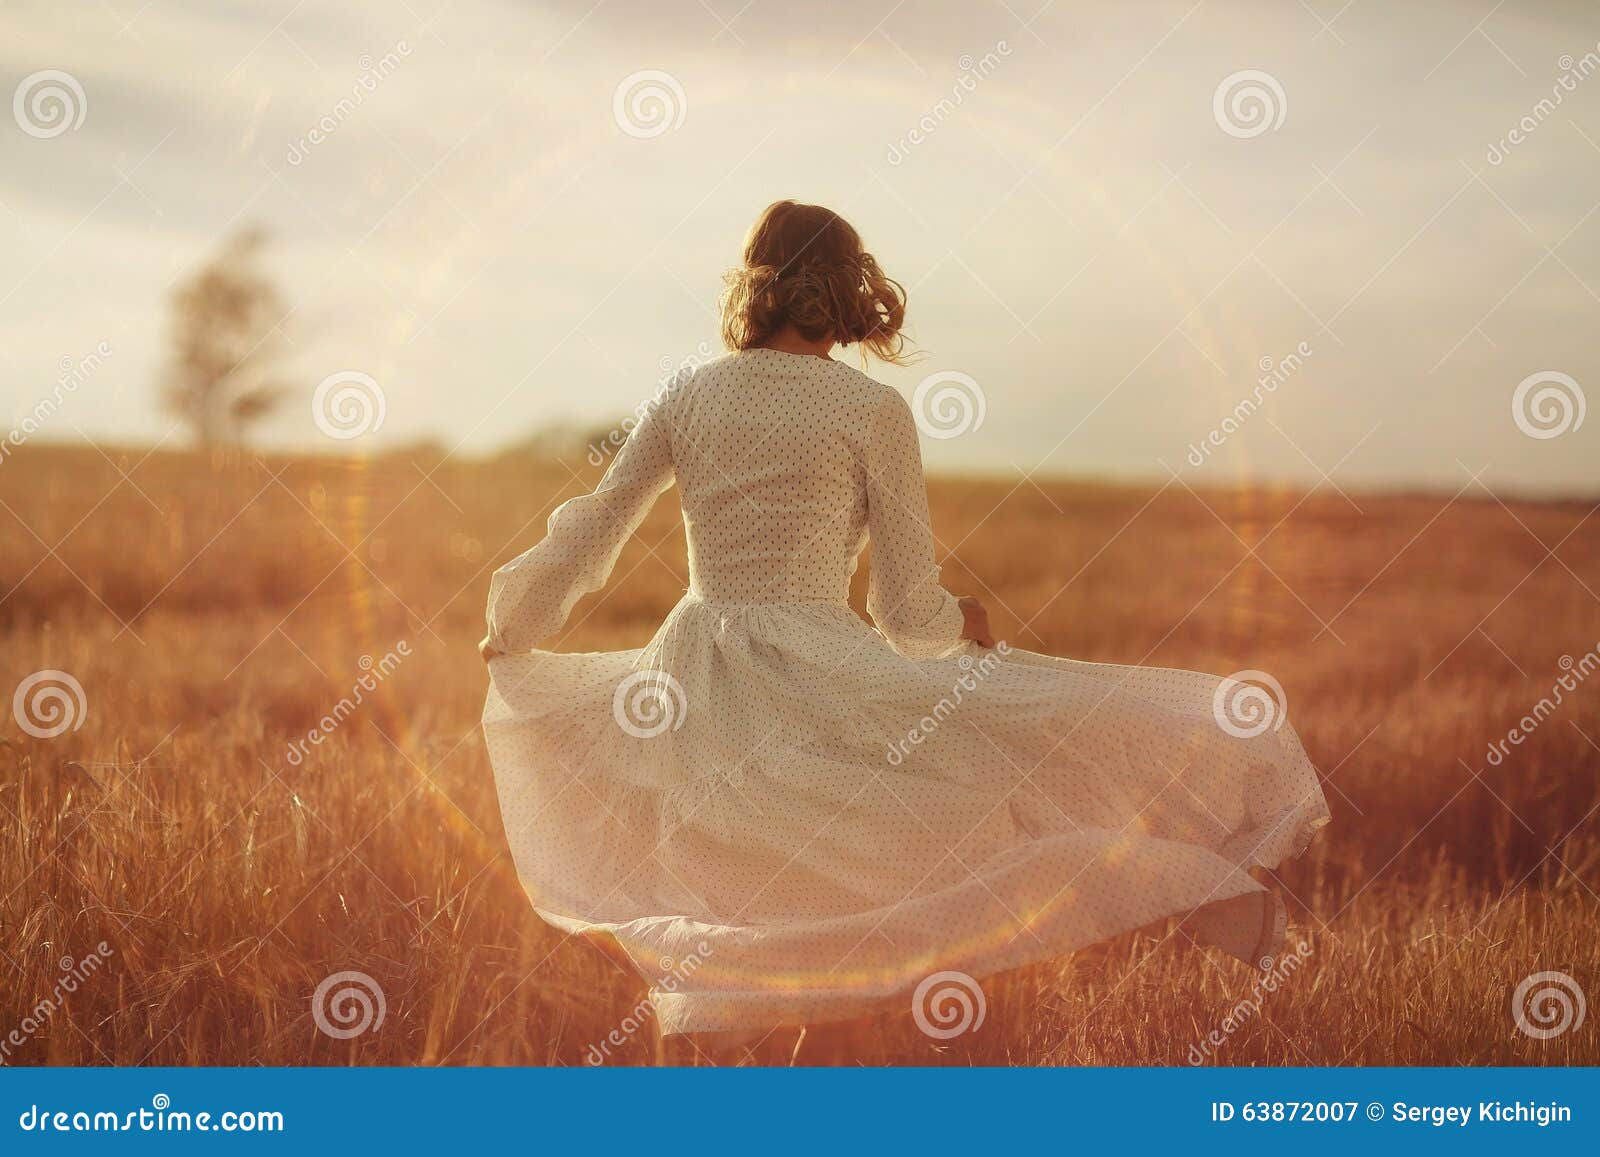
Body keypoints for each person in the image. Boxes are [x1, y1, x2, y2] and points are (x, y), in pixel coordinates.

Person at [480, 199, 1328, 1047]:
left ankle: (774, 1068)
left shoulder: (687, 393)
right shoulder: (870, 411)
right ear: (852, 289)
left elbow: (598, 521)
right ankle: (1183, 893)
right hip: (817, 664)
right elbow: (906, 615)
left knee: (739, 876)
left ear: (752, 282)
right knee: (971, 815)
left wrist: (514, 623)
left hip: (693, 676)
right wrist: (964, 619)